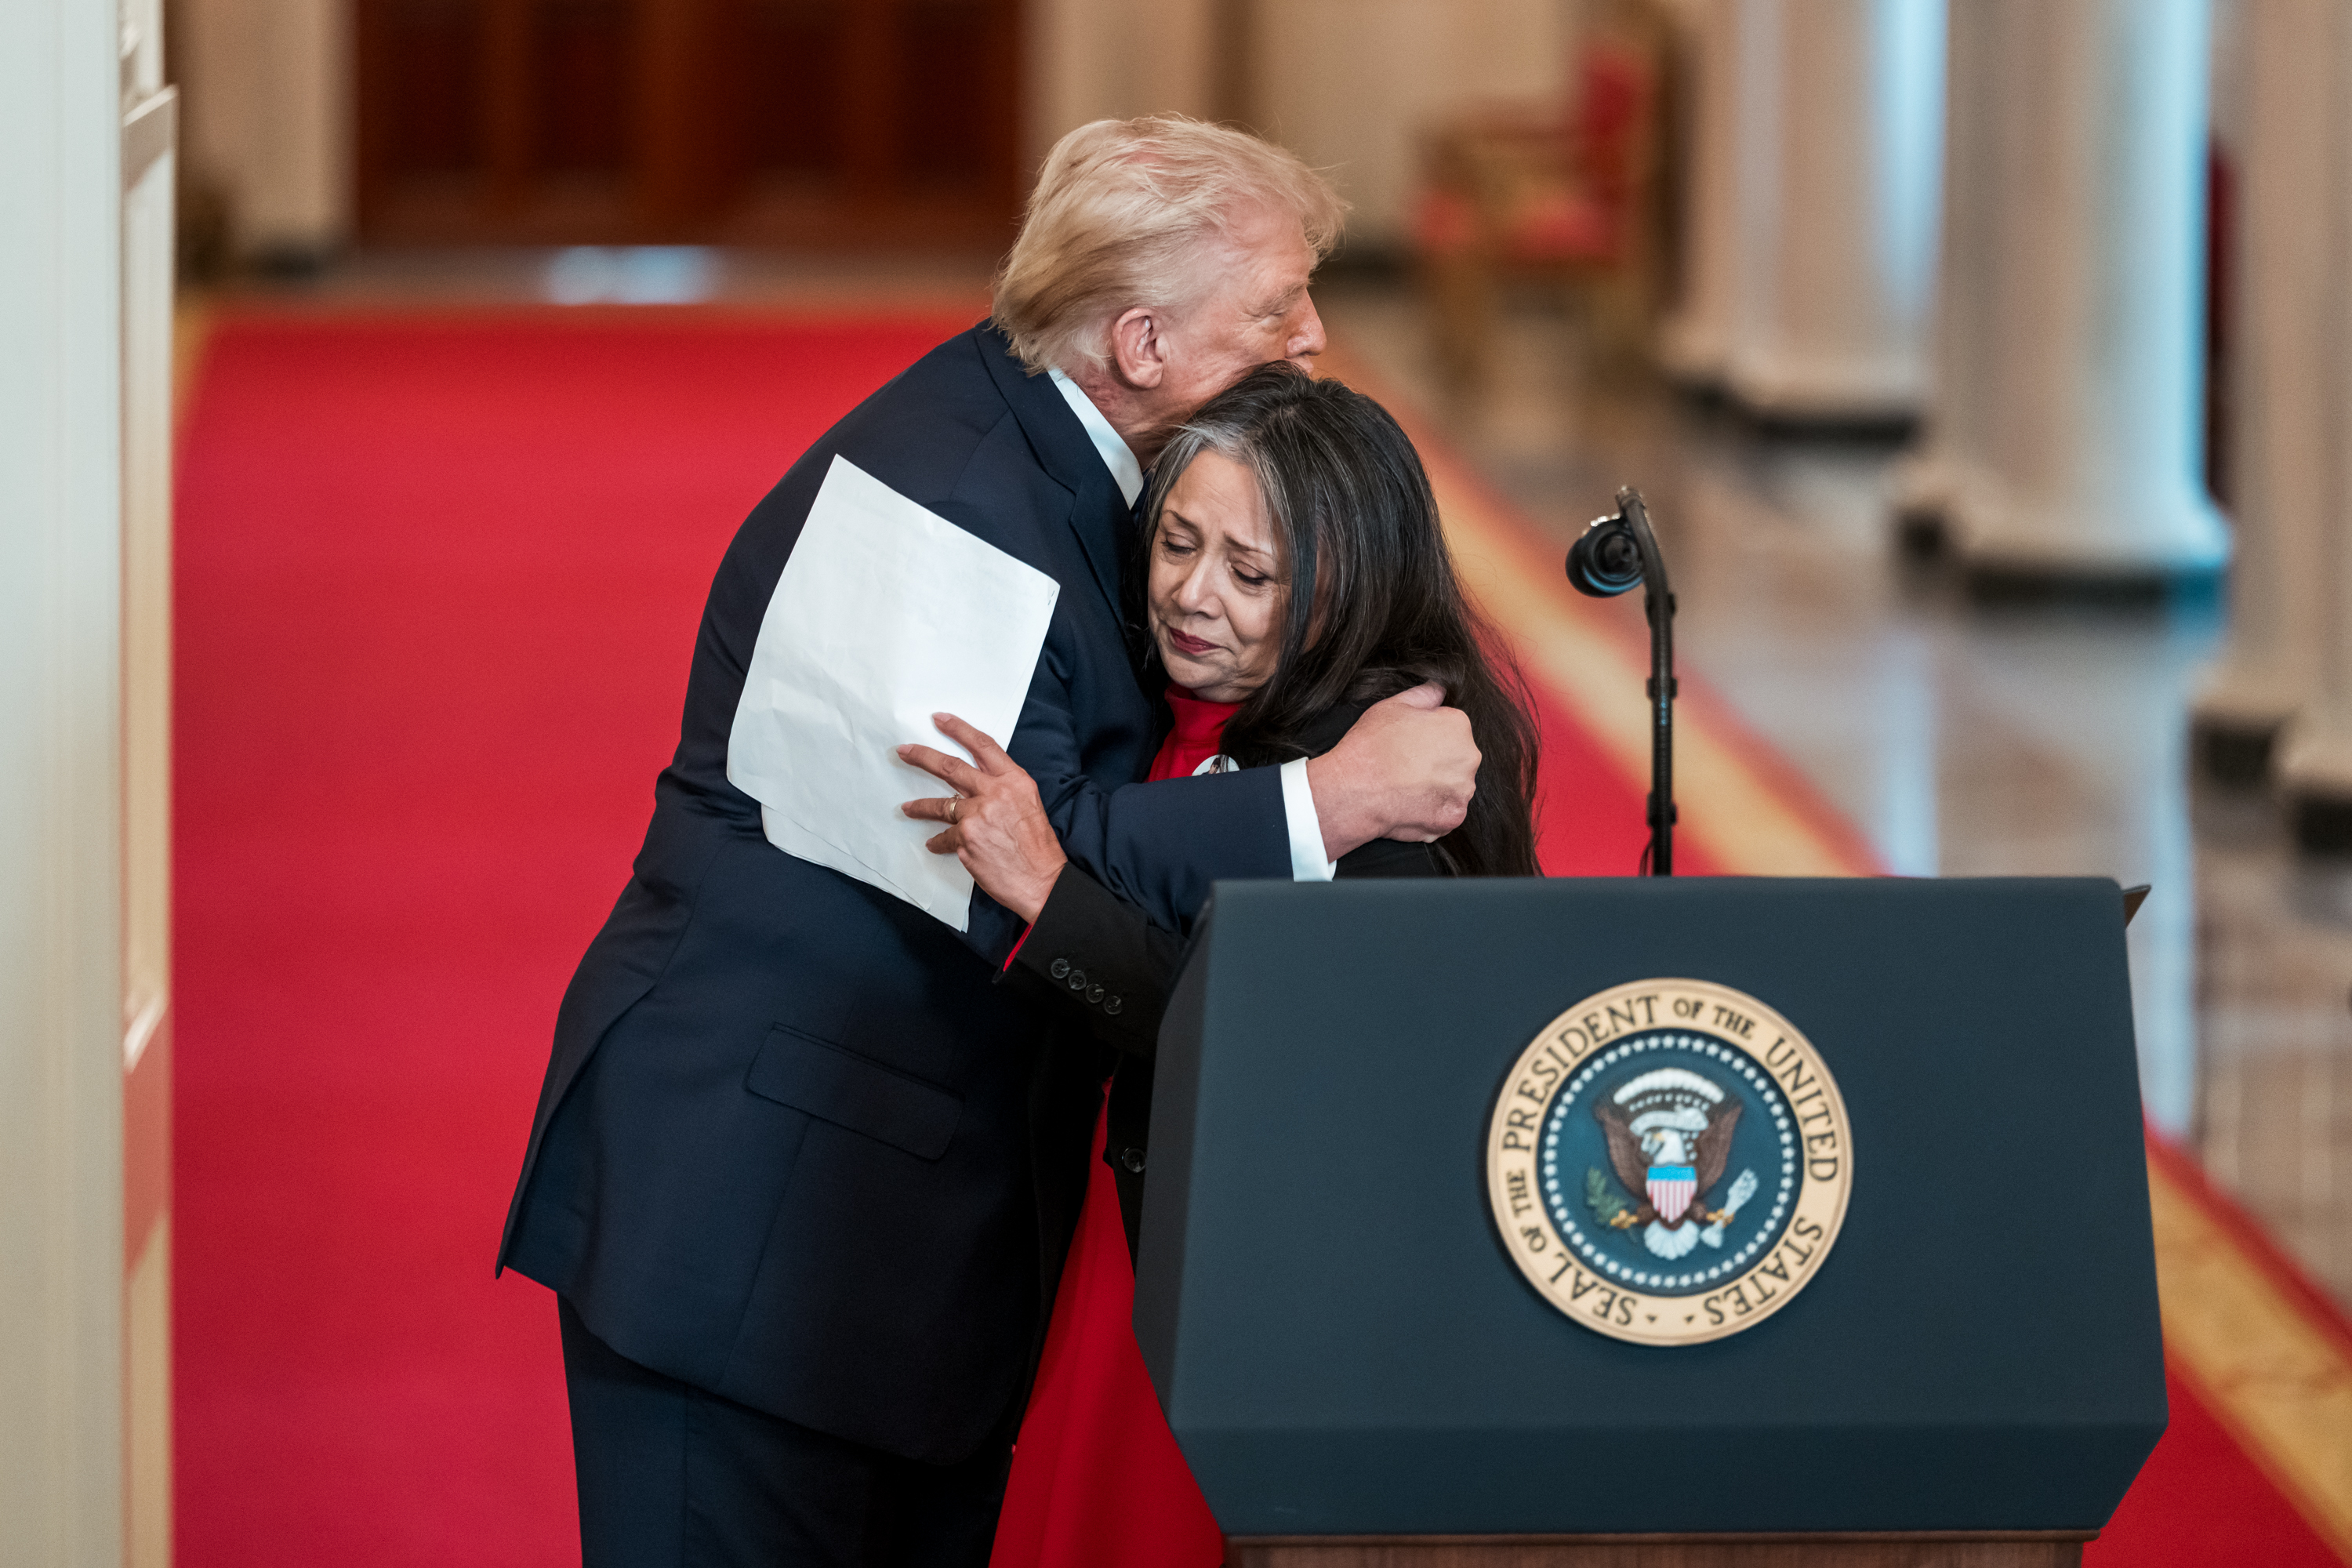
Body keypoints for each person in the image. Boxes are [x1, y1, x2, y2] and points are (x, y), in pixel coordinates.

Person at [496, 116, 1484, 1568]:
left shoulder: (1063, 456)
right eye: (1279, 306)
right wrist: (1327, 803)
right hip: (759, 1236)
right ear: (1143, 341)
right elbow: (1015, 851)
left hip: (890, 1249)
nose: (1316, 334)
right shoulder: (948, 502)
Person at [896, 365, 1542, 1568]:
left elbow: (1274, 1061)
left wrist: (1048, 896)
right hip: (1128, 1215)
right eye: (1176, 544)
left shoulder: (1393, 790)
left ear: (1353, 583)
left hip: (1253, 1284)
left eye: (1250, 574)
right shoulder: (1173, 708)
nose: (1192, 598)